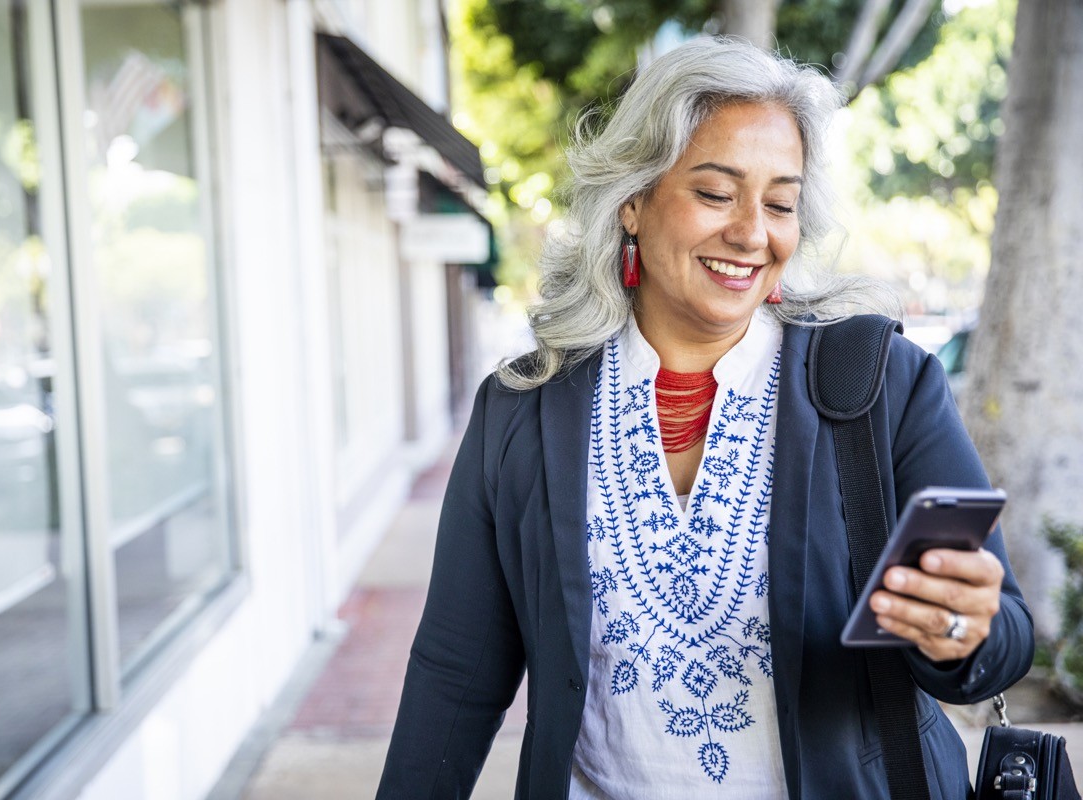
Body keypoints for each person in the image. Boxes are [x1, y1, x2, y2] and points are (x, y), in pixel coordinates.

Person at [376, 36, 1034, 799]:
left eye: (780, 203)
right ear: (633, 200)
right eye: (717, 194)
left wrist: (959, 628)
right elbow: (457, 672)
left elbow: (1003, 639)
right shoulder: (524, 407)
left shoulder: (883, 383)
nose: (753, 233)